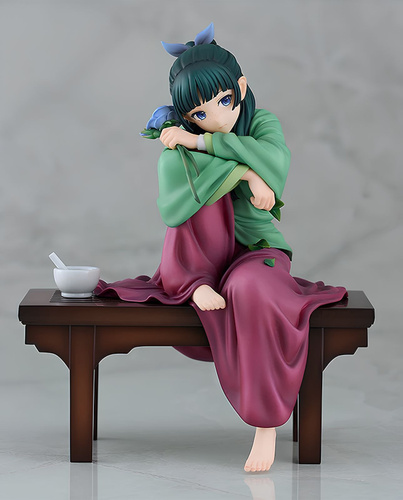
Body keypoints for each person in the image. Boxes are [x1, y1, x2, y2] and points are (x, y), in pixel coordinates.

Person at [95, 23, 347, 472]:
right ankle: (192, 283)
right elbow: (174, 181)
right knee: (197, 190)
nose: (214, 116)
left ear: (240, 89)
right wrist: (243, 174)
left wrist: (202, 142)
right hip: (204, 257)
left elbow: (274, 161)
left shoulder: (261, 123)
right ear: (186, 114)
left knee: (250, 288)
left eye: (224, 101)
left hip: (256, 252)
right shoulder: (182, 136)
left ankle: (265, 424)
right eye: (199, 114)